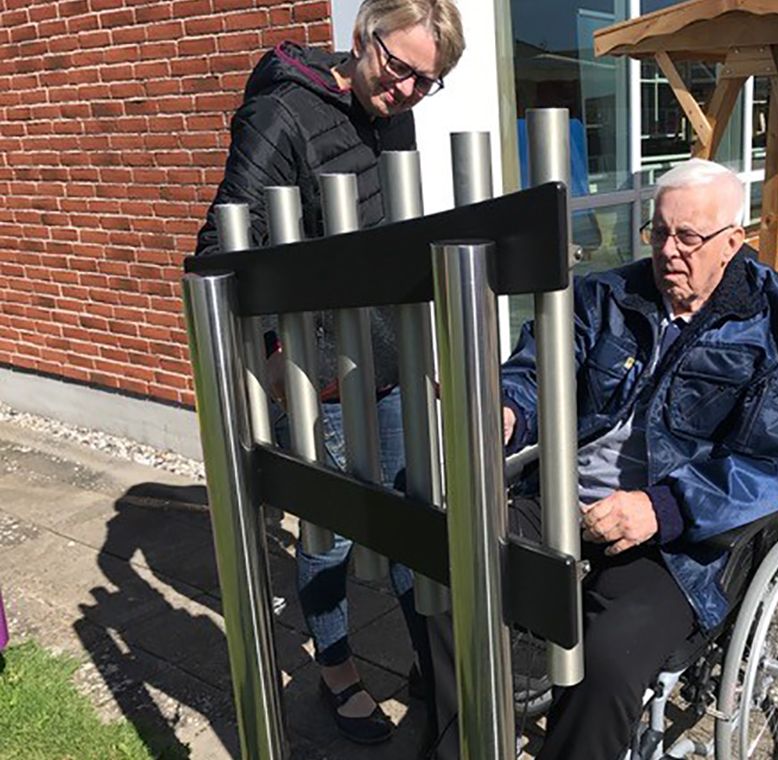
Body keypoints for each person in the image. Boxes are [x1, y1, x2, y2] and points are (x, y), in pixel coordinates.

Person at [426, 158, 778, 759]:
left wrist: (661, 506)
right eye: (659, 232)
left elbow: (775, 461)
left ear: (732, 242)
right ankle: (465, 745)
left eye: (688, 237)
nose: (669, 250)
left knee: (607, 659)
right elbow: (539, 368)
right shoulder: (609, 294)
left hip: (677, 537)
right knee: (446, 565)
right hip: (565, 495)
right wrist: (510, 409)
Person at [195, 0, 464, 745]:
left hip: (391, 358)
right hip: (321, 374)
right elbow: (220, 248)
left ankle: (433, 663)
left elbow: (396, 242)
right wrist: (284, 354)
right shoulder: (280, 115)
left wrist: (424, 351)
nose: (407, 90)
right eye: (399, 68)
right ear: (361, 38)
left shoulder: (394, 115)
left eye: (425, 82)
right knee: (332, 533)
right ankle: (338, 671)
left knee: (418, 519)